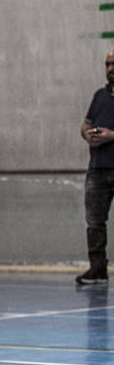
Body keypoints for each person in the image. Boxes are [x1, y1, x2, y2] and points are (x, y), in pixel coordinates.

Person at [77, 49, 114, 285]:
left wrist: (113, 135)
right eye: (107, 64)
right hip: (98, 169)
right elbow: (85, 125)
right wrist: (88, 134)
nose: (110, 69)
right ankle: (98, 269)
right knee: (94, 222)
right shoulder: (99, 96)